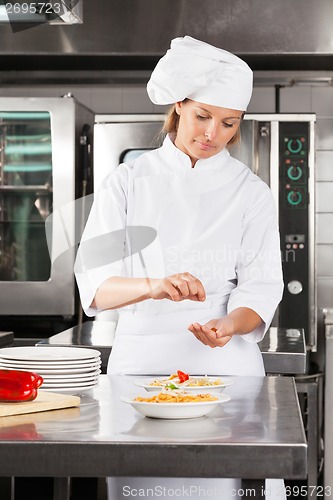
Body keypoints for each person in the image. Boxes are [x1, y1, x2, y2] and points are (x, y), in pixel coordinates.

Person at [75, 36, 285, 500]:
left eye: (228, 123)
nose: (212, 134)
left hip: (225, 371)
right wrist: (154, 286)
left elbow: (262, 288)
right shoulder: (128, 182)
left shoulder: (250, 191)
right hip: (140, 374)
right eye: (202, 117)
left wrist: (228, 324)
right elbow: (94, 286)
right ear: (179, 107)